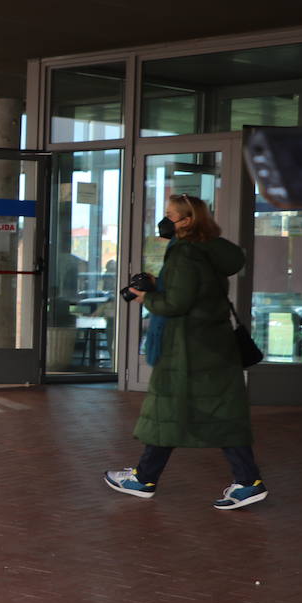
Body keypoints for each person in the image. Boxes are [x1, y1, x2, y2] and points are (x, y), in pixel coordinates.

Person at [104, 194, 268, 510]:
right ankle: (246, 481)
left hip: (188, 349)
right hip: (214, 346)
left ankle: (144, 479)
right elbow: (195, 292)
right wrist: (159, 284)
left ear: (187, 220)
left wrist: (145, 299)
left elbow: (177, 304)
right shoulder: (211, 251)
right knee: (216, 412)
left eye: (170, 215)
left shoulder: (185, 254)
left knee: (169, 410)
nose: (165, 220)